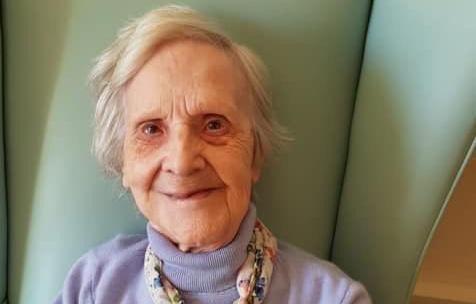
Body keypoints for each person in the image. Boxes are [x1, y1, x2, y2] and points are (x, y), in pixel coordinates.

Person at [53, 4, 372, 304]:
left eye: (214, 125)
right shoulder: (92, 287)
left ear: (256, 153)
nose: (181, 163)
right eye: (151, 129)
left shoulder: (333, 298)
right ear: (123, 161)